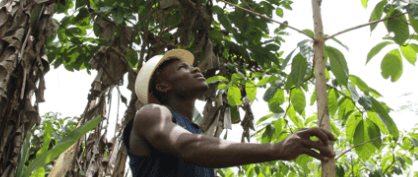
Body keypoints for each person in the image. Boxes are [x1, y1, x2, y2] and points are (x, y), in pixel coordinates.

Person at [122, 49, 336, 177]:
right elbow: (186, 146)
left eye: (191, 66)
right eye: (182, 69)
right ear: (162, 87)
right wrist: (276, 148)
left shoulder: (197, 135)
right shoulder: (151, 114)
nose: (196, 69)